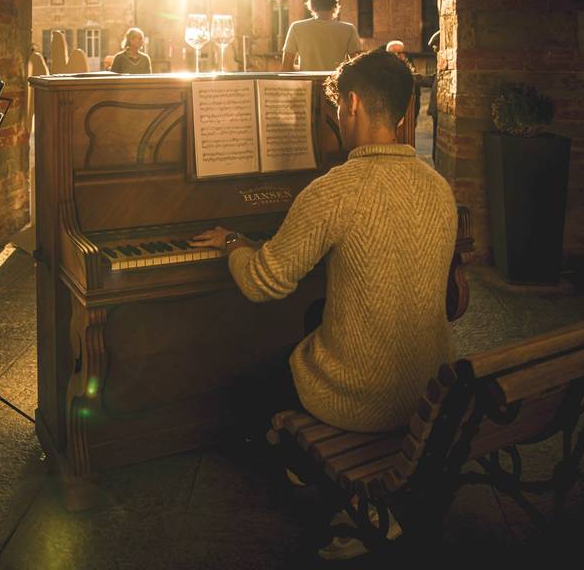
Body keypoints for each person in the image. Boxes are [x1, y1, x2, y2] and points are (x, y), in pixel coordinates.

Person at [192, 49, 457, 560]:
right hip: (429, 390)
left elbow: (263, 282)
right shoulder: (438, 187)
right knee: (314, 319)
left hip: (362, 401)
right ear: (404, 113)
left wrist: (232, 244)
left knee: (245, 393)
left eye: (337, 107)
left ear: (352, 104)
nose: (336, 118)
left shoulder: (335, 189)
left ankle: (338, 488)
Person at [281, 0, 361, 71]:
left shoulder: (296, 27)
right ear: (335, 7)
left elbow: (286, 67)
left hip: (308, 82)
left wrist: (303, 69)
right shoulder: (348, 29)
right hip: (334, 83)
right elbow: (357, 66)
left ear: (312, 7)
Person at [427, 30, 441, 163]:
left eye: (436, 47)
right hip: (436, 110)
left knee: (438, 142)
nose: (435, 50)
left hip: (439, 110)